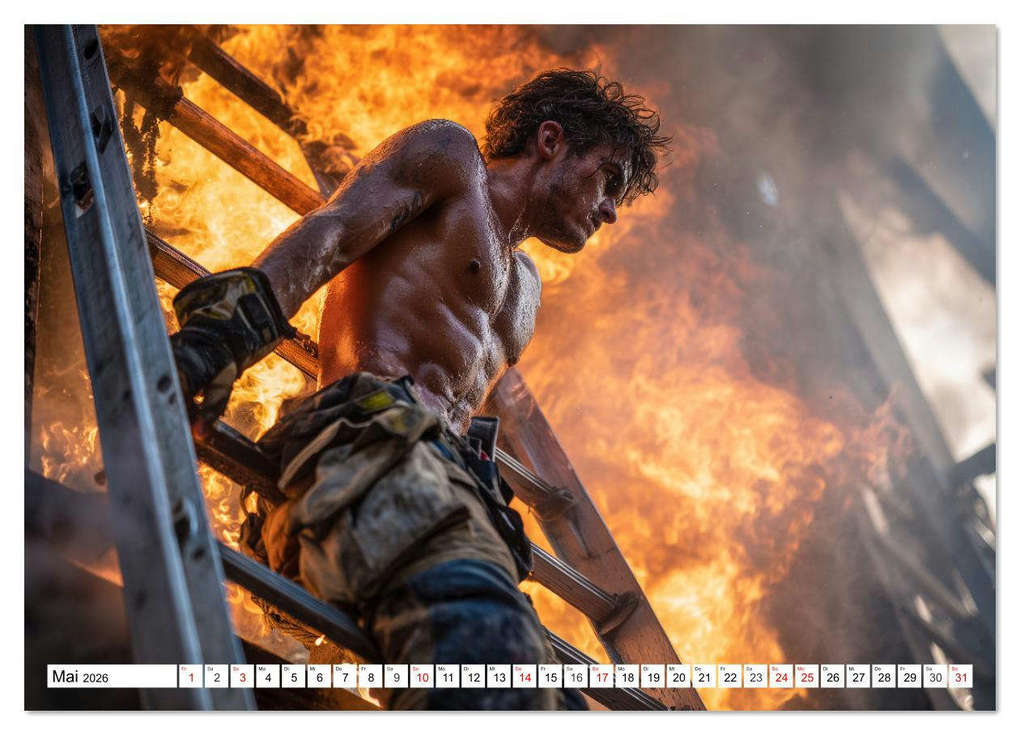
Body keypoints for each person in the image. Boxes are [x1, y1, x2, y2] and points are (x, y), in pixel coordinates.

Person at [169, 69, 668, 709]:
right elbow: (333, 233)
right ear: (550, 141)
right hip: (370, 450)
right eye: (609, 180)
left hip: (448, 506)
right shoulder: (451, 159)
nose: (610, 210)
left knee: (547, 702)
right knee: (496, 676)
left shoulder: (526, 294)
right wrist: (218, 339)